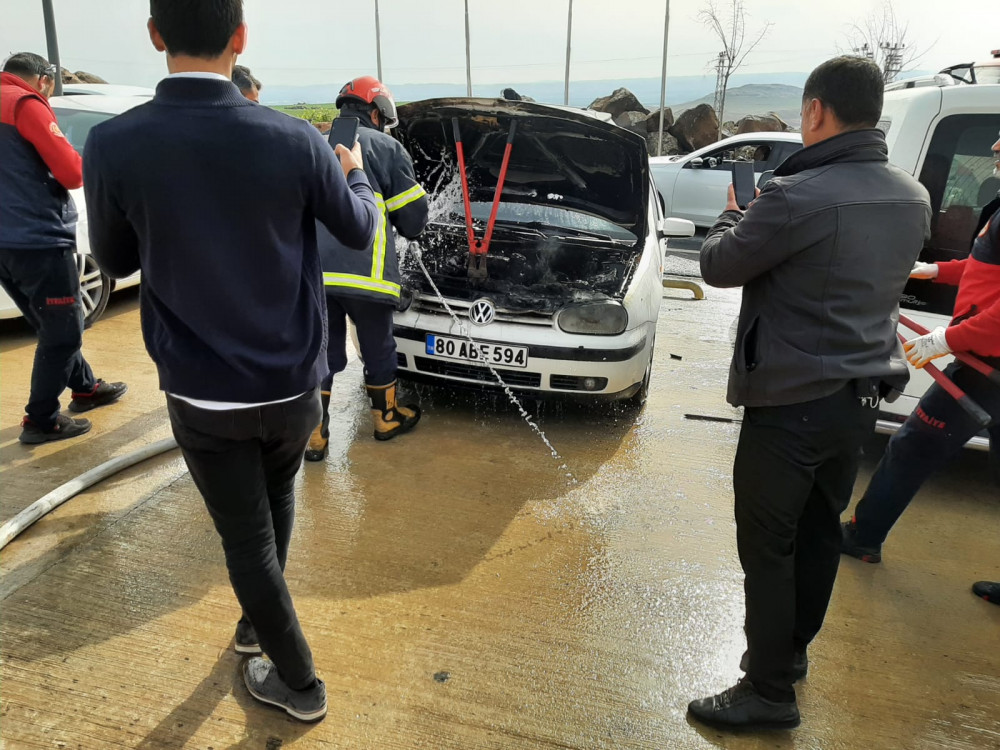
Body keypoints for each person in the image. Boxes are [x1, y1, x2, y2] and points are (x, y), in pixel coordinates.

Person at [83, 0, 379, 723]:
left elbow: (116, 261)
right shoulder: (295, 140)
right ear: (239, 37)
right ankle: (263, 634)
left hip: (204, 391)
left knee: (245, 535)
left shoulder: (115, 144)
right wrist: (358, 174)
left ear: (155, 35)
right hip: (293, 384)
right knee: (274, 502)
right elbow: (358, 225)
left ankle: (300, 682)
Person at [688, 56, 931, 730]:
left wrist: (728, 218)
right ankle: (789, 657)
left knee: (768, 546)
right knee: (821, 535)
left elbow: (720, 265)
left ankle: (766, 692)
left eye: (802, 112)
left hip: (790, 403)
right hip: (858, 404)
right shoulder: (912, 197)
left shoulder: (797, 196)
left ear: (817, 111)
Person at [841, 133, 1000, 608]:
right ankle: (864, 534)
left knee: (913, 447)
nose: (994, 147)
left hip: (985, 366)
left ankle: (863, 537)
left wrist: (944, 339)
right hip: (983, 360)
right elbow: (986, 268)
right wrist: (937, 271)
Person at [0, 52, 127, 444]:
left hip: (5, 244)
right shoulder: (25, 104)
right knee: (64, 333)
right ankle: (41, 420)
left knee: (49, 324)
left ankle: (86, 388)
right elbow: (72, 172)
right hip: (37, 238)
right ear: (44, 80)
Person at [305, 75, 428, 460]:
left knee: (320, 352)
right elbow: (414, 221)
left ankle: (315, 434)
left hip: (316, 275)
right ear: (377, 112)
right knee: (378, 347)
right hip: (367, 276)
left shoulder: (311, 147)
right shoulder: (388, 147)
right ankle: (385, 419)